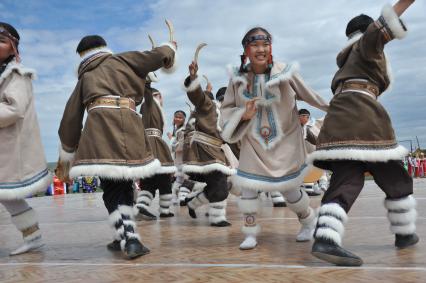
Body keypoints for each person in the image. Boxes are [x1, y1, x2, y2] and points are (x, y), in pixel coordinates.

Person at [309, 0, 418, 266]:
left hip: (342, 117)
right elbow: (377, 31)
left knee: (347, 178)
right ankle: (404, 233)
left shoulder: (347, 60)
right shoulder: (366, 45)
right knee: (395, 176)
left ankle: (326, 238)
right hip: (363, 117)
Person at [57, 34, 177, 259]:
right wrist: (170, 48)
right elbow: (160, 55)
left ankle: (126, 236)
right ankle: (127, 237)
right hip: (129, 128)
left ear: (82, 55)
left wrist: (68, 149)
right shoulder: (124, 60)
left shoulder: (84, 77)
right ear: (104, 47)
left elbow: (70, 118)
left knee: (113, 189)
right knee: (124, 187)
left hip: (98, 133)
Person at [220, 27, 328, 250]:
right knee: (248, 188)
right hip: (253, 141)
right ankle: (250, 233)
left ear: (270, 47)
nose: (261, 49)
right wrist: (244, 114)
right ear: (246, 50)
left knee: (289, 190)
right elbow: (226, 109)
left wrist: (336, 107)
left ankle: (308, 221)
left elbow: (310, 95)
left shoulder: (285, 71)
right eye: (255, 45)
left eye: (265, 44)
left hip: (284, 142)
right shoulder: (237, 79)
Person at [0, 22, 52, 255]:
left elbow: (15, 110)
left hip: (9, 149)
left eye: (1, 41)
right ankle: (33, 236)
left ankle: (33, 236)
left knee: (9, 198)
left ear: (13, 49)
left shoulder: (17, 75)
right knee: (7, 198)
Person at [182, 62, 236, 227]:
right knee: (220, 187)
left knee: (218, 185)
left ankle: (192, 202)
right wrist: (193, 78)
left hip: (217, 152)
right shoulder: (210, 106)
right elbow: (198, 96)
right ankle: (217, 218)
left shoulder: (227, 115)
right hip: (206, 152)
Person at [134, 86, 176, 219]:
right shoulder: (150, 104)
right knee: (163, 180)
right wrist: (147, 82)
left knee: (150, 181)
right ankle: (161, 210)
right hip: (154, 146)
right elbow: (147, 95)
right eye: (159, 95)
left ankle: (144, 207)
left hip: (151, 145)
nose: (161, 98)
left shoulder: (152, 110)